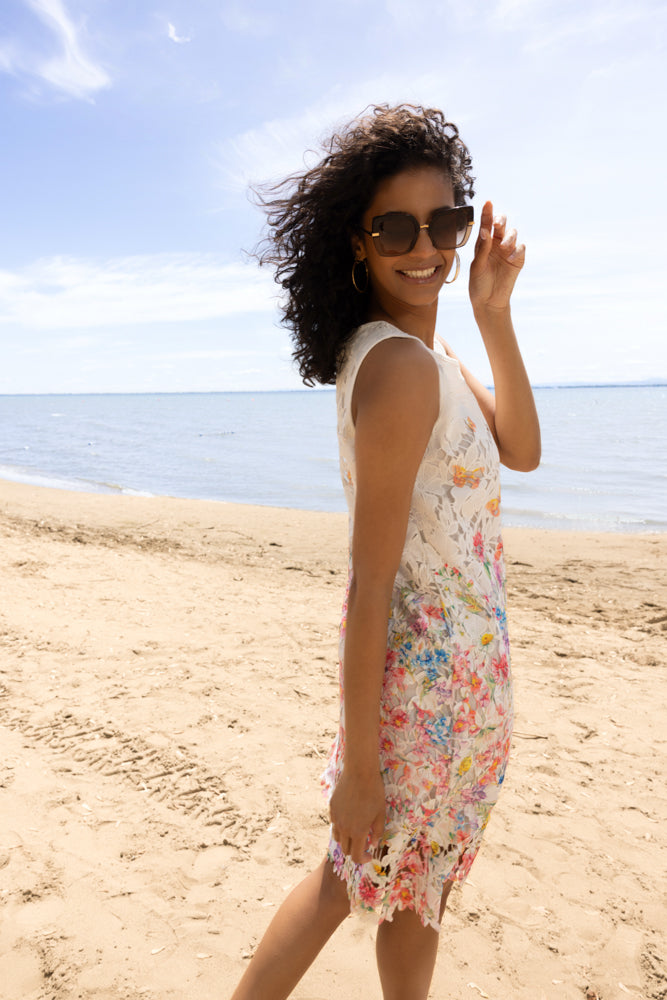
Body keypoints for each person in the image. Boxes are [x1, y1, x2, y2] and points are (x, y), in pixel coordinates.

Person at [230, 104, 541, 1000]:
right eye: (394, 226)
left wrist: (493, 314)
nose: (426, 246)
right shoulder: (398, 367)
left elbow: (518, 448)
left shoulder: (419, 347)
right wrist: (359, 768)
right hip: (425, 695)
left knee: (417, 891)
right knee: (345, 878)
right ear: (356, 245)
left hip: (463, 688)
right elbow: (368, 586)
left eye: (444, 222)